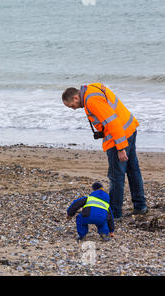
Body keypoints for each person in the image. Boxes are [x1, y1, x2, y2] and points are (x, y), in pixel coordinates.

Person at [62, 83, 148, 219]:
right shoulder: (92, 88)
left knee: (116, 176)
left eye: (71, 106)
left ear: (75, 98)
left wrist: (120, 148)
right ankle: (140, 206)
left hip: (118, 136)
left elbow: (112, 121)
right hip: (129, 128)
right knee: (133, 170)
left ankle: (115, 214)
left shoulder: (91, 100)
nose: (73, 109)